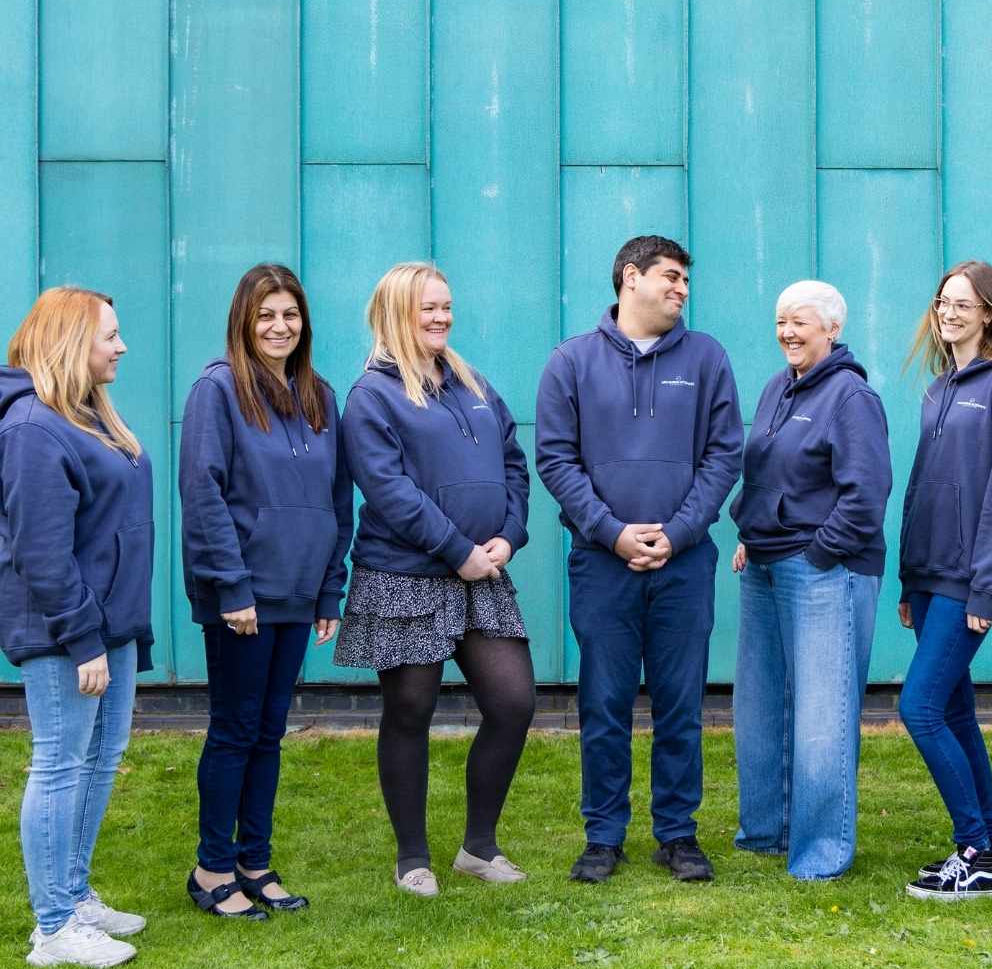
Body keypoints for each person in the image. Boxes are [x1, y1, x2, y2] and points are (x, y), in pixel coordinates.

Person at [536, 235, 742, 883]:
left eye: (685, 281)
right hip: (601, 564)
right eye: (672, 277)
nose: (682, 289)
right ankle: (603, 836)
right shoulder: (570, 362)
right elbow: (555, 459)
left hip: (683, 566)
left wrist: (677, 534)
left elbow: (723, 455)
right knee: (604, 703)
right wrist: (611, 531)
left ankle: (678, 835)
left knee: (681, 704)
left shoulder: (706, 359)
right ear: (631, 277)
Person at [336, 263, 534, 897]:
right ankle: (412, 857)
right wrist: (457, 550)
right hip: (408, 576)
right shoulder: (372, 396)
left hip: (484, 571)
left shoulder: (472, 382)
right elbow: (389, 490)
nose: (442, 317)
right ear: (396, 312)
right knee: (410, 710)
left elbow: (512, 459)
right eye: (427, 308)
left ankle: (479, 847)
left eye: (446, 306)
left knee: (512, 703)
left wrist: (509, 533)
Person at [180, 264, 353, 918]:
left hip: (298, 594)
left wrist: (328, 589)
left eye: (289, 315)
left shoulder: (319, 397)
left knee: (269, 733)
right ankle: (210, 867)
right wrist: (232, 587)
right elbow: (203, 493)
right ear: (243, 322)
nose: (279, 327)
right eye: (265, 316)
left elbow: (339, 499)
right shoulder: (217, 391)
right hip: (241, 598)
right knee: (235, 730)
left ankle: (254, 861)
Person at [1, 288, 153, 968]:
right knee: (60, 764)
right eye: (110, 336)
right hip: (68, 634)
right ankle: (54, 927)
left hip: (108, 625)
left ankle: (75, 891)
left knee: (101, 756)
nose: (120, 346)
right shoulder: (33, 428)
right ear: (70, 341)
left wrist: (116, 630)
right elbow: (41, 551)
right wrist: (82, 637)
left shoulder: (87, 416)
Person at [730, 280, 891, 880]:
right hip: (765, 567)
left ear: (832, 329)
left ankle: (821, 853)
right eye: (780, 322)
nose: (788, 333)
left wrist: (820, 553)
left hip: (825, 570)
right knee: (760, 711)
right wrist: (751, 531)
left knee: (823, 719)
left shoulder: (851, 397)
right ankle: (766, 833)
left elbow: (867, 493)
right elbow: (766, 475)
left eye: (800, 322)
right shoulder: (778, 388)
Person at [897, 260, 992, 900]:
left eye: (964, 303)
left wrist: (988, 588)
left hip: (967, 581)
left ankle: (974, 849)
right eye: (942, 301)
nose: (950, 311)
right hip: (930, 579)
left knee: (919, 706)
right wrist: (909, 582)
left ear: (989, 313)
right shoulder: (939, 388)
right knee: (955, 711)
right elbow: (922, 491)